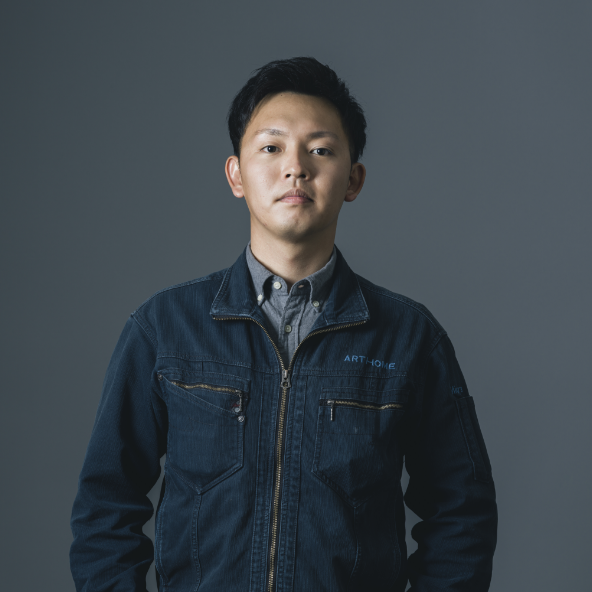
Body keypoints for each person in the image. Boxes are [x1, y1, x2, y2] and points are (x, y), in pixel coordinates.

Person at [70, 56, 497, 592]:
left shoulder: (409, 337)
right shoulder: (164, 328)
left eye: (321, 150)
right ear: (236, 175)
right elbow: (105, 506)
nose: (296, 168)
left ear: (353, 179)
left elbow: (462, 511)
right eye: (271, 148)